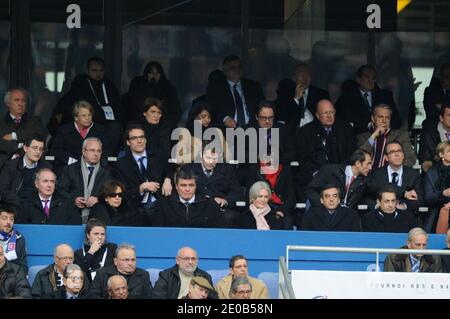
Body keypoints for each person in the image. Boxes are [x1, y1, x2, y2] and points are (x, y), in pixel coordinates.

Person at [48, 56, 123, 154]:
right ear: (87, 71)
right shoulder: (80, 84)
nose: (98, 74)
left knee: (116, 128)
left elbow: (118, 109)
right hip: (88, 122)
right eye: (94, 70)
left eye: (101, 70)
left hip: (106, 125)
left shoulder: (109, 86)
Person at [112, 123, 171, 226]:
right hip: (135, 209)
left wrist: (168, 179)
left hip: (159, 207)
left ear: (146, 139)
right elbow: (123, 194)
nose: (139, 141)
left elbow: (169, 169)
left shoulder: (158, 157)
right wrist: (141, 188)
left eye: (141, 137)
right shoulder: (121, 165)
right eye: (134, 138)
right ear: (128, 142)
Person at [295, 99, 356, 190]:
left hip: (340, 175)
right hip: (313, 175)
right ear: (317, 115)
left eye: (331, 112)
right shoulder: (305, 131)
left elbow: (351, 154)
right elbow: (303, 157)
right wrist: (316, 173)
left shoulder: (346, 129)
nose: (329, 116)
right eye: (325, 113)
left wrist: (339, 171)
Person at [184, 144, 243, 228]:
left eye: (214, 159)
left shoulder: (227, 169)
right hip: (195, 208)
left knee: (230, 217)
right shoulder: (189, 169)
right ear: (201, 154)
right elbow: (183, 190)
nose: (211, 162)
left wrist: (226, 201)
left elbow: (236, 191)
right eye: (208, 158)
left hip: (219, 210)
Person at [58, 137, 112, 223]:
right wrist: (74, 200)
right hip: (72, 215)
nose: (96, 154)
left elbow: (111, 193)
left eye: (99, 151)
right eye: (92, 150)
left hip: (99, 217)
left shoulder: (108, 171)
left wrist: (98, 199)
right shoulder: (70, 169)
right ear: (83, 151)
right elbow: (60, 190)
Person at [335, 64, 401, 134]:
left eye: (373, 78)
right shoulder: (347, 98)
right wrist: (366, 125)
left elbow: (396, 121)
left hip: (383, 137)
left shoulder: (385, 96)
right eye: (367, 77)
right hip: (357, 138)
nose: (371, 80)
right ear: (358, 79)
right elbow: (341, 121)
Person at [207, 55, 265, 129]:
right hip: (228, 131)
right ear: (224, 69)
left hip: (253, 130)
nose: (236, 70)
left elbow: (263, 106)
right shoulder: (216, 88)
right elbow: (212, 108)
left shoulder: (254, 86)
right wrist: (225, 118)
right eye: (232, 68)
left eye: (239, 67)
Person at [50, 101, 110, 172]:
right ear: (76, 117)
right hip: (69, 167)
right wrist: (73, 161)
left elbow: (106, 150)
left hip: (94, 168)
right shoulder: (64, 130)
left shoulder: (100, 130)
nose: (87, 118)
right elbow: (56, 150)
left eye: (89, 115)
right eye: (84, 115)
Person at [153, 167, 222, 228]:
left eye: (191, 185)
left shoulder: (210, 205)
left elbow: (218, 234)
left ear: (196, 186)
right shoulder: (163, 205)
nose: (187, 189)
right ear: (176, 186)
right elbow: (157, 233)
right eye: (183, 185)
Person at [305, 149, 372, 210]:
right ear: (358, 163)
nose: (370, 167)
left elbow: (364, 199)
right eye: (368, 163)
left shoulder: (363, 181)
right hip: (322, 214)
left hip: (344, 218)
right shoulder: (330, 170)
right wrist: (325, 206)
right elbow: (311, 190)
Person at [366, 141, 423, 212]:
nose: (397, 154)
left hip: (405, 216)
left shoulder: (413, 175)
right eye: (392, 151)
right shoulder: (376, 174)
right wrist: (377, 206)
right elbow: (367, 197)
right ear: (386, 157)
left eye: (399, 151)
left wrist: (404, 206)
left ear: (403, 155)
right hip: (380, 215)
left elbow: (420, 199)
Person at [274, 63, 329, 135]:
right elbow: (282, 115)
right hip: (291, 135)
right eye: (300, 74)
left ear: (311, 78)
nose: (304, 77)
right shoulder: (285, 93)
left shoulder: (321, 94)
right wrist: (296, 99)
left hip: (314, 134)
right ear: (294, 77)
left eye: (307, 74)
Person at [357, 104, 416, 169]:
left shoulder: (400, 136)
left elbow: (411, 159)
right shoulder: (362, 137)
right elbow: (358, 158)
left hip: (390, 176)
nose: (384, 121)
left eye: (387, 117)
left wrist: (396, 171)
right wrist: (373, 136)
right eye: (380, 117)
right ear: (373, 118)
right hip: (367, 175)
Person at [0, 134, 51, 206]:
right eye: (35, 148)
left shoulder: (46, 168)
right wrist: (21, 203)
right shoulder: (11, 165)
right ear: (25, 148)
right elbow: (3, 190)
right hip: (13, 205)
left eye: (40, 149)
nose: (38, 152)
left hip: (36, 207)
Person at [0, 88, 44, 171]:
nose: (21, 103)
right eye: (17, 100)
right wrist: (19, 145)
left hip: (30, 166)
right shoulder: (1, 123)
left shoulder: (34, 121)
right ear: (8, 103)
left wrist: (14, 136)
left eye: (23, 100)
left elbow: (37, 136)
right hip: (4, 166)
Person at [128, 61, 181, 129]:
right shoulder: (139, 86)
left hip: (164, 125)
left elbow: (175, 111)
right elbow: (135, 107)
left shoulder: (168, 88)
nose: (154, 75)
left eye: (157, 73)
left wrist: (166, 124)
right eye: (151, 73)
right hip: (142, 123)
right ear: (147, 74)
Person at [88, 243, 152, 299]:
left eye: (133, 260)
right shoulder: (102, 274)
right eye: (126, 260)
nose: (130, 263)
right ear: (115, 261)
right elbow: (92, 296)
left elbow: (150, 297)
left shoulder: (143, 275)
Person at [153, 246, 217, 299]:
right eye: (186, 258)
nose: (190, 262)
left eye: (193, 259)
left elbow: (213, 297)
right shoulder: (166, 275)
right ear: (177, 260)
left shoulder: (205, 276)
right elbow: (157, 297)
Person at [424, 141, 450, 233]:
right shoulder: (431, 173)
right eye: (449, 151)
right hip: (437, 211)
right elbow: (428, 198)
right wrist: (443, 193)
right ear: (441, 154)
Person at [419, 104, 450, 172]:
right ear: (441, 118)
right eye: (449, 115)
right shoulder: (429, 134)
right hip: (437, 177)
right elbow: (425, 163)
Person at [0, 205, 27, 273]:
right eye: (4, 218)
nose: (9, 222)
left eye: (11, 219)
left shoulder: (19, 239)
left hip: (11, 279)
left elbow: (23, 268)